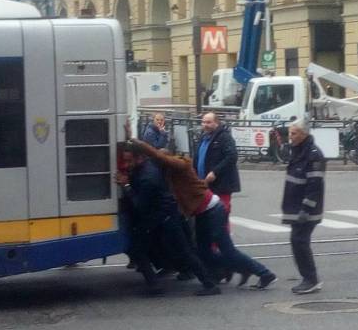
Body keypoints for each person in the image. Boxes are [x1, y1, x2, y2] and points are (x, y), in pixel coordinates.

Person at [127, 134, 276, 290]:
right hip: (203, 212)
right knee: (203, 252)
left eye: (162, 160)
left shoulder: (180, 165)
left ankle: (264, 273)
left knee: (227, 250)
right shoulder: (168, 174)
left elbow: (158, 157)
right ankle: (237, 268)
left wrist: (139, 143)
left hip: (213, 210)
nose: (157, 164)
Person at [117, 143, 220, 296]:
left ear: (139, 158)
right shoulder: (145, 167)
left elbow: (140, 203)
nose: (127, 165)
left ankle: (208, 284)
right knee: (146, 249)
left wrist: (126, 185)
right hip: (162, 216)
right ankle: (157, 285)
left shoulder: (148, 177)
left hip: (164, 218)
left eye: (129, 161)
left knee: (182, 252)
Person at [281, 119, 325, 294]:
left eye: (294, 133)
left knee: (299, 242)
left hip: (306, 210)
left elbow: (314, 185)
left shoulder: (313, 154)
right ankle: (308, 278)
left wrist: (306, 209)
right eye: (290, 133)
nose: (290, 137)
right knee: (297, 242)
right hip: (295, 207)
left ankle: (311, 279)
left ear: (304, 134)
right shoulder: (299, 150)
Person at [193, 112, 240, 227]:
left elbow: (232, 156)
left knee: (221, 214)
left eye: (209, 122)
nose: (205, 125)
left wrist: (215, 172)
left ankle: (222, 242)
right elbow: (197, 158)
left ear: (216, 123)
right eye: (203, 122)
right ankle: (212, 242)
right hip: (205, 184)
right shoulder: (203, 137)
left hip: (221, 184)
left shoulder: (224, 137)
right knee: (208, 215)